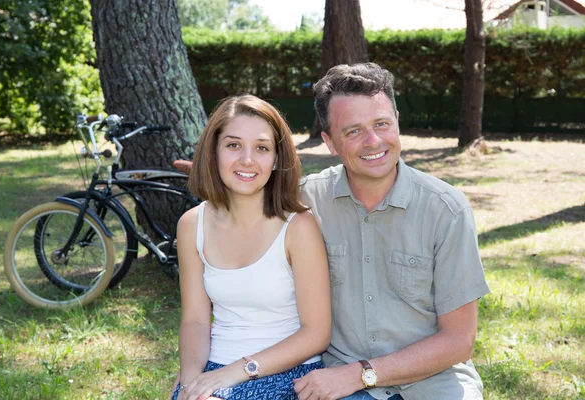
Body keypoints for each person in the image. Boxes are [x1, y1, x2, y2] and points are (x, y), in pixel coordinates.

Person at [174, 63, 490, 400]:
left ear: (397, 121)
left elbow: (459, 340)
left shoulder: (446, 210)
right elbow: (249, 195)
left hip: (430, 383)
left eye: (382, 124)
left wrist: (363, 373)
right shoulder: (309, 199)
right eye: (353, 131)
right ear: (329, 142)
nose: (373, 141)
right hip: (338, 379)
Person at [171, 94, 331, 400]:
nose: (247, 159)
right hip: (214, 367)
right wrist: (190, 385)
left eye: (261, 148)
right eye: (233, 145)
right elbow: (194, 319)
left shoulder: (298, 227)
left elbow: (316, 334)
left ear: (276, 160)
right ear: (213, 152)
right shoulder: (192, 224)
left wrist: (234, 372)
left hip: (284, 371)